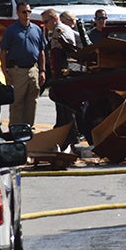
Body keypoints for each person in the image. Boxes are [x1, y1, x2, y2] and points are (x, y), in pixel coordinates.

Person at [0, 2, 46, 127]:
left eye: (29, 11)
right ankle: (15, 130)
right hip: (17, 70)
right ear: (18, 13)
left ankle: (28, 130)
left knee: (32, 102)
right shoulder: (11, 31)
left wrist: (42, 71)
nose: (27, 14)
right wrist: (5, 73)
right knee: (17, 103)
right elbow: (3, 53)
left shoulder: (36, 29)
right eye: (24, 12)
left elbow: (41, 51)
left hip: (33, 70)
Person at [42, 8, 81, 147]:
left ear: (54, 19)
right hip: (60, 74)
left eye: (46, 21)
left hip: (64, 74)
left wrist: (58, 75)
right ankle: (63, 135)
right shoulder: (57, 31)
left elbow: (64, 53)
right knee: (62, 108)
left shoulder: (60, 31)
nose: (45, 25)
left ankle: (72, 136)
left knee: (66, 107)